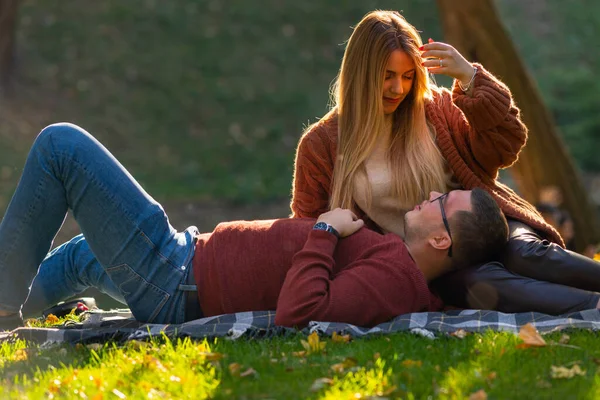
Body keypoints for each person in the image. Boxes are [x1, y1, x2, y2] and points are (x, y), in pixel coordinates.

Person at [0, 123, 509, 331]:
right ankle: (11, 311)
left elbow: (300, 311)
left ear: (442, 239)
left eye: (443, 201)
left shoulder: (397, 279)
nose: (431, 194)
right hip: (185, 258)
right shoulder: (395, 263)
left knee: (60, 146)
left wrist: (326, 232)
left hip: (176, 279)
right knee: (80, 255)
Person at [291, 10, 600, 314]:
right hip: (431, 261)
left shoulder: (437, 110)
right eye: (387, 76)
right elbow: (308, 226)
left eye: (408, 76)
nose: (398, 88)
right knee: (482, 284)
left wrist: (471, 78)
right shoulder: (321, 145)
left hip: (483, 225)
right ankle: (594, 307)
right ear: (360, 73)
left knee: (525, 255)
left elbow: (505, 146)